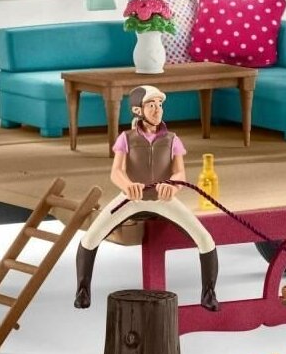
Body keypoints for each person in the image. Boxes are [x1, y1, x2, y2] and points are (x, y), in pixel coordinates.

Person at [74, 85, 219, 311]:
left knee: (205, 239)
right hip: (131, 199)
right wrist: (127, 186)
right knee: (91, 237)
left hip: (163, 200)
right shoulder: (126, 138)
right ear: (137, 110)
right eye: (151, 105)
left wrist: (172, 186)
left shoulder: (172, 139)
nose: (157, 109)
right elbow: (116, 171)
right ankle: (83, 290)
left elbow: (179, 173)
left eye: (159, 105)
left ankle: (209, 293)